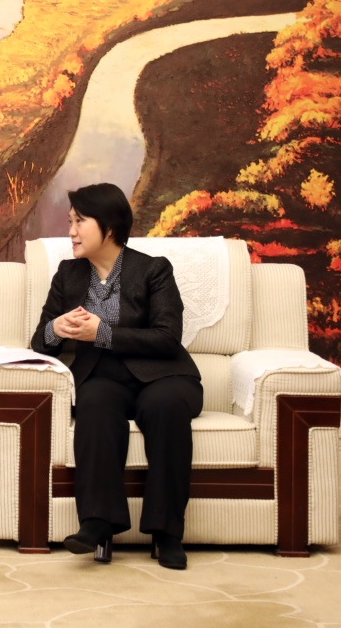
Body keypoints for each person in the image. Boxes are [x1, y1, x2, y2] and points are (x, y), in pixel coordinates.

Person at [31, 183, 203, 569]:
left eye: (80, 222)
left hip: (164, 376)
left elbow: (167, 338)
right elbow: (40, 341)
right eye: (70, 222)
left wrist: (102, 333)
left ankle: (167, 533)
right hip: (104, 377)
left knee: (165, 407)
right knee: (93, 403)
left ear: (109, 227)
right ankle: (97, 523)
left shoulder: (153, 270)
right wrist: (56, 328)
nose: (71, 231)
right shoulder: (68, 274)